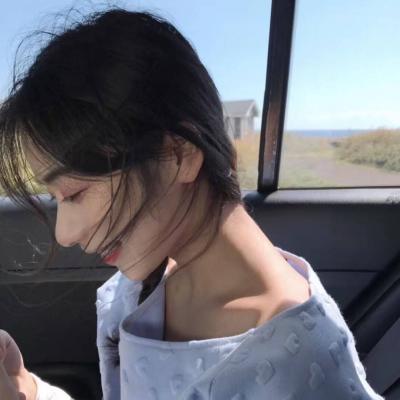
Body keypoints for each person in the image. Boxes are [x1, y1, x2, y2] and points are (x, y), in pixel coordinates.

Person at [0, 7, 384, 400]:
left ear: (178, 155)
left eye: (74, 193)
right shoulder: (143, 287)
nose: (64, 234)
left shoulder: (296, 371)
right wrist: (29, 391)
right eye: (56, 198)